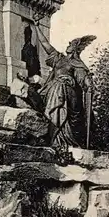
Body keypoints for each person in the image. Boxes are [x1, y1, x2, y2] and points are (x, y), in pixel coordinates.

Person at [33, 13, 96, 149]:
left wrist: (88, 83)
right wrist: (37, 26)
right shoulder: (58, 58)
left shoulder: (77, 64)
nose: (68, 45)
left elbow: (83, 80)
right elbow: (45, 44)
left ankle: (63, 140)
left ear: (75, 49)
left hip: (68, 94)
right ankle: (54, 139)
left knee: (60, 88)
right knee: (55, 90)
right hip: (54, 90)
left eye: (71, 44)